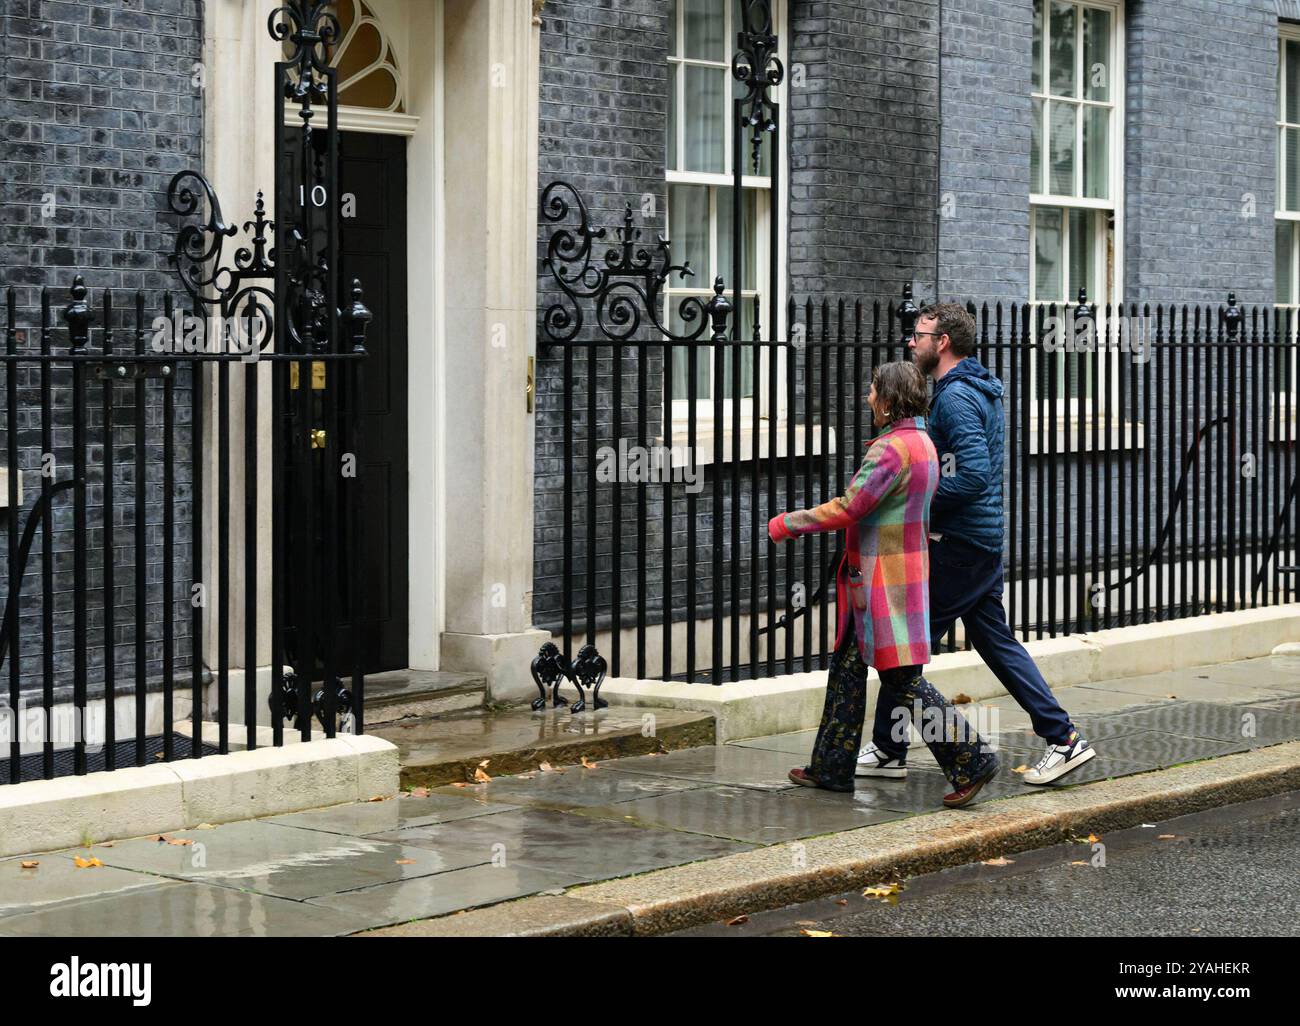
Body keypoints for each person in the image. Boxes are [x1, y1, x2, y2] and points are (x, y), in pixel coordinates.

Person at [854, 303, 1096, 785]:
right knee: (995, 643)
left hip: (960, 544)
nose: (911, 342)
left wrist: (916, 499)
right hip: (978, 542)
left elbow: (975, 474)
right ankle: (1063, 738)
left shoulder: (956, 398)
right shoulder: (968, 389)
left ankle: (891, 747)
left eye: (919, 334)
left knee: (900, 647)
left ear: (941, 342)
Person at [768, 361, 999, 809]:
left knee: (903, 677)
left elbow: (850, 507)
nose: (868, 398)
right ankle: (832, 767)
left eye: (874, 391)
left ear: (890, 399)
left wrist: (788, 523)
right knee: (849, 669)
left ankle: (969, 759)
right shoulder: (924, 443)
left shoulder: (891, 449)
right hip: (899, 576)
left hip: (881, 581)